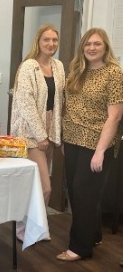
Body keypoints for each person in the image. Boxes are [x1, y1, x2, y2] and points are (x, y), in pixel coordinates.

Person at [57, 28, 123, 261]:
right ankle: (93, 234)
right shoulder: (77, 71)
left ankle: (80, 248)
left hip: (96, 143)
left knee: (84, 194)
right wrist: (65, 139)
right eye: (88, 44)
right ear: (82, 47)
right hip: (73, 141)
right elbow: (68, 107)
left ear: (105, 48)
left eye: (97, 44)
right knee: (77, 193)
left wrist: (100, 151)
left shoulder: (113, 74)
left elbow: (114, 117)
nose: (92, 48)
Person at [10, 23, 65, 242]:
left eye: (54, 40)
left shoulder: (58, 66)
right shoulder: (28, 67)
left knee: (36, 185)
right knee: (44, 186)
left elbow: (61, 99)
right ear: (38, 42)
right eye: (46, 40)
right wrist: (40, 135)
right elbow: (26, 104)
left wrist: (53, 134)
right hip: (30, 133)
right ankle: (25, 228)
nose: (51, 44)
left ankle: (36, 227)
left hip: (51, 129)